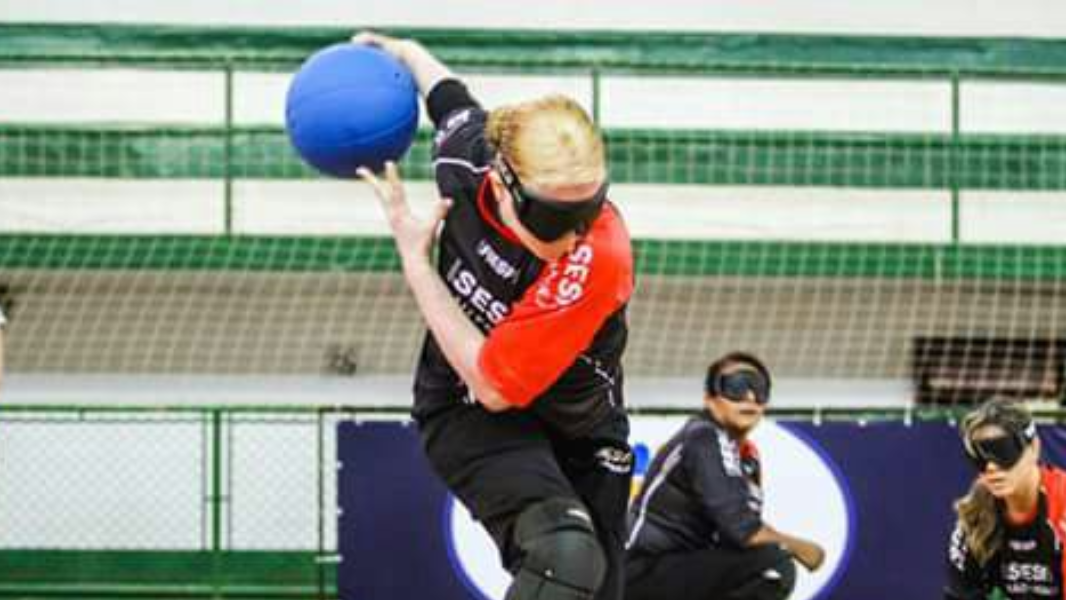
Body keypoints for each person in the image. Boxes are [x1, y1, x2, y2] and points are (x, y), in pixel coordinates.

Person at [353, 31, 635, 600]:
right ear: (503, 181)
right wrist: (404, 51)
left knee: (594, 586)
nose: (577, 231)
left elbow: (499, 380)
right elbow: (449, 98)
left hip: (580, 430)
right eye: (557, 216)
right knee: (565, 558)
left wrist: (417, 263)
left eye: (591, 206)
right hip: (468, 406)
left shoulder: (599, 254)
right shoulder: (464, 160)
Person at [624, 352, 825, 600]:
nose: (750, 397)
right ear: (710, 399)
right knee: (772, 564)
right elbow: (742, 529)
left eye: (759, 389)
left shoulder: (747, 457)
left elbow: (740, 533)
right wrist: (801, 548)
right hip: (641, 572)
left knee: (762, 562)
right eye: (737, 386)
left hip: (683, 570)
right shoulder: (704, 437)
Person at [945, 398, 1066, 600]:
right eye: (980, 455)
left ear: (1034, 448)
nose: (991, 467)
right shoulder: (975, 515)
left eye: (1003, 450)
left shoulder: (1061, 504)